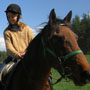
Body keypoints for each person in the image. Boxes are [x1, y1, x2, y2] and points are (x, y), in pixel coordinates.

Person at [0, 4, 34, 72]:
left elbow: (33, 42)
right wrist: (16, 54)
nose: (10, 19)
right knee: (0, 71)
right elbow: (9, 47)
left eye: (13, 16)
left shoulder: (27, 28)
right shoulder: (7, 32)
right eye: (8, 17)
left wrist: (26, 52)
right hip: (13, 58)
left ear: (18, 16)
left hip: (28, 56)